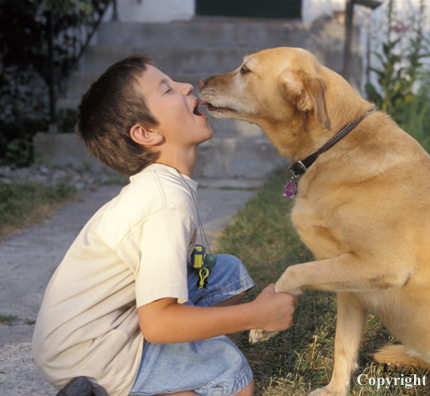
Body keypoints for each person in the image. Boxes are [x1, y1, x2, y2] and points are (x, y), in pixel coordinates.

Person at [32, 55, 298, 396]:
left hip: (94, 331)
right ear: (145, 133)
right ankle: (110, 387)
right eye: (168, 89)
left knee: (228, 275)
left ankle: (158, 376)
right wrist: (257, 315)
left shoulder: (162, 187)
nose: (188, 86)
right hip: (89, 353)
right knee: (229, 373)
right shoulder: (164, 205)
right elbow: (157, 324)